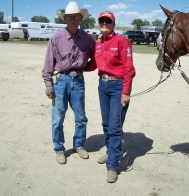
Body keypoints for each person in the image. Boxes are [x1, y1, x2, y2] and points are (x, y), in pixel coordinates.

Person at [84, 11, 136, 183]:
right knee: (106, 124)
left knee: (114, 126)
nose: (104, 23)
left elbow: (128, 69)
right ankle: (111, 152)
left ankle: (113, 165)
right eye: (101, 20)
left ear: (113, 24)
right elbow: (93, 64)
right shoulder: (98, 44)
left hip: (117, 87)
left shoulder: (122, 41)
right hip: (103, 86)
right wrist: (74, 67)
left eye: (108, 21)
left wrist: (126, 91)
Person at [42, 1, 96, 164]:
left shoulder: (87, 39)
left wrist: (83, 70)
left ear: (81, 19)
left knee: (81, 117)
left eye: (76, 17)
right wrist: (48, 85)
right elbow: (48, 63)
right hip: (60, 81)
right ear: (65, 19)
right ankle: (59, 149)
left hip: (78, 81)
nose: (73, 19)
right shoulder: (56, 38)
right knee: (57, 118)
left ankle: (79, 145)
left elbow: (96, 58)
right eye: (70, 17)